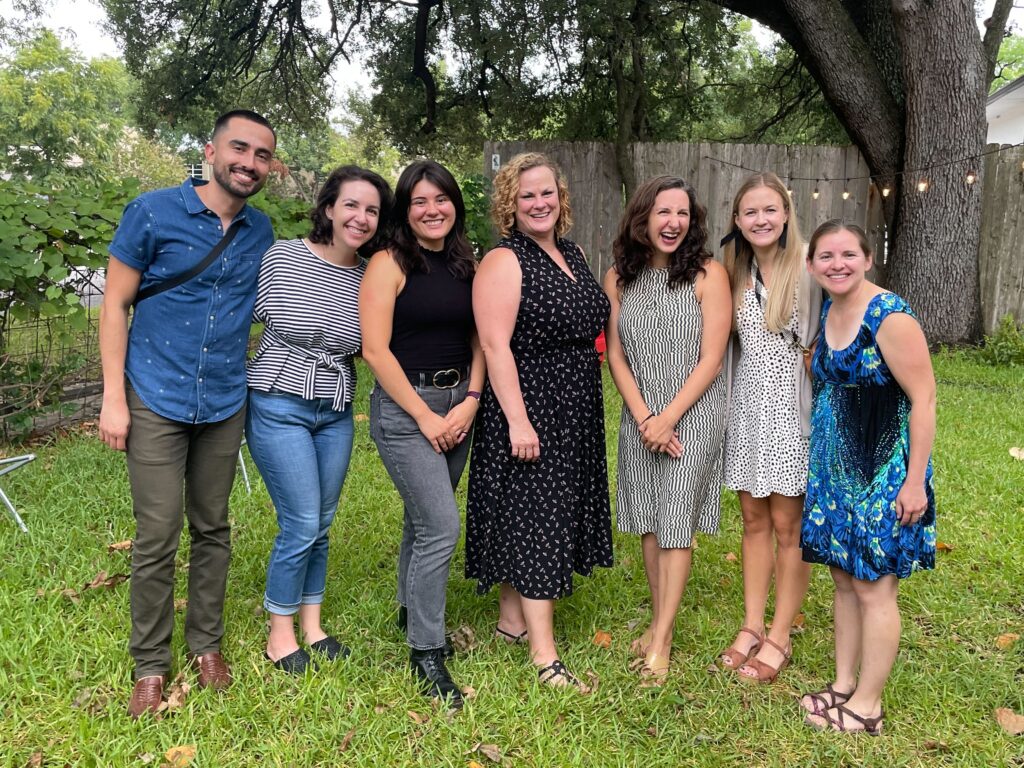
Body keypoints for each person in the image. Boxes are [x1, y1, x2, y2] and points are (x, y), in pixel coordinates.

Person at [98, 110, 276, 718]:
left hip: (224, 399)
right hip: (155, 395)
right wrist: (113, 397)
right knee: (157, 532)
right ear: (210, 150)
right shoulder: (152, 213)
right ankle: (151, 663)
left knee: (213, 527)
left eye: (261, 155)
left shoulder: (260, 231)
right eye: (239, 148)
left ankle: (206, 646)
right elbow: (115, 304)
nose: (248, 162)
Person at [466, 152, 612, 691]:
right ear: (510, 204)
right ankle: (544, 655)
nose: (538, 202)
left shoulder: (572, 253)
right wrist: (518, 421)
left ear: (560, 196)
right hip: (530, 405)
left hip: (575, 406)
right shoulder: (504, 260)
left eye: (546, 192)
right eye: (526, 195)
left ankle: (512, 623)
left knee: (532, 514)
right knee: (538, 520)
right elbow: (494, 346)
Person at [246, 166, 393, 674]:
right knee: (301, 521)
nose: (361, 217)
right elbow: (240, 316)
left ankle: (313, 626)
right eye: (351, 205)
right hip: (279, 401)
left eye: (372, 210)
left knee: (322, 523)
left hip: (335, 409)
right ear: (329, 207)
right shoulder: (284, 255)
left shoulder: (370, 274)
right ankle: (279, 633)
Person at [799, 221, 936, 735]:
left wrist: (914, 482)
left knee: (874, 586)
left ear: (868, 258)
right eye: (826, 256)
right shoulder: (832, 308)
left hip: (883, 471)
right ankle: (843, 685)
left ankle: (868, 705)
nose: (837, 264)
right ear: (812, 265)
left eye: (847, 255)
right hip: (835, 469)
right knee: (842, 577)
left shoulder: (890, 317)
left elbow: (924, 399)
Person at [360, 160, 484, 709]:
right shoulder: (388, 263)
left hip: (460, 404)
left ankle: (411, 607)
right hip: (406, 408)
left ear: (455, 204)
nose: (432, 210)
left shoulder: (465, 263)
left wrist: (472, 399)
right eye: (419, 202)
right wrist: (425, 417)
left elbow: (482, 337)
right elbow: (375, 350)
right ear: (404, 211)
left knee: (422, 518)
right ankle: (426, 649)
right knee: (441, 525)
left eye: (441, 199)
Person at [603, 176, 731, 686]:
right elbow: (615, 355)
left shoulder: (708, 275)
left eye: (682, 213)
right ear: (643, 218)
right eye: (663, 212)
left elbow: (713, 358)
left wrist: (669, 418)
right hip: (640, 416)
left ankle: (661, 641)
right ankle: (660, 623)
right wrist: (644, 418)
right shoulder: (619, 277)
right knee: (650, 521)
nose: (673, 222)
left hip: (691, 414)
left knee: (676, 521)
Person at [718, 171, 821, 683]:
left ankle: (780, 634)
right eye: (750, 212)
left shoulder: (808, 268)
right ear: (737, 220)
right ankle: (752, 624)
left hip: (791, 411)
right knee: (753, 520)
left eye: (769, 209)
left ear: (785, 214)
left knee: (787, 526)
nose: (761, 219)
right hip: (747, 409)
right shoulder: (732, 271)